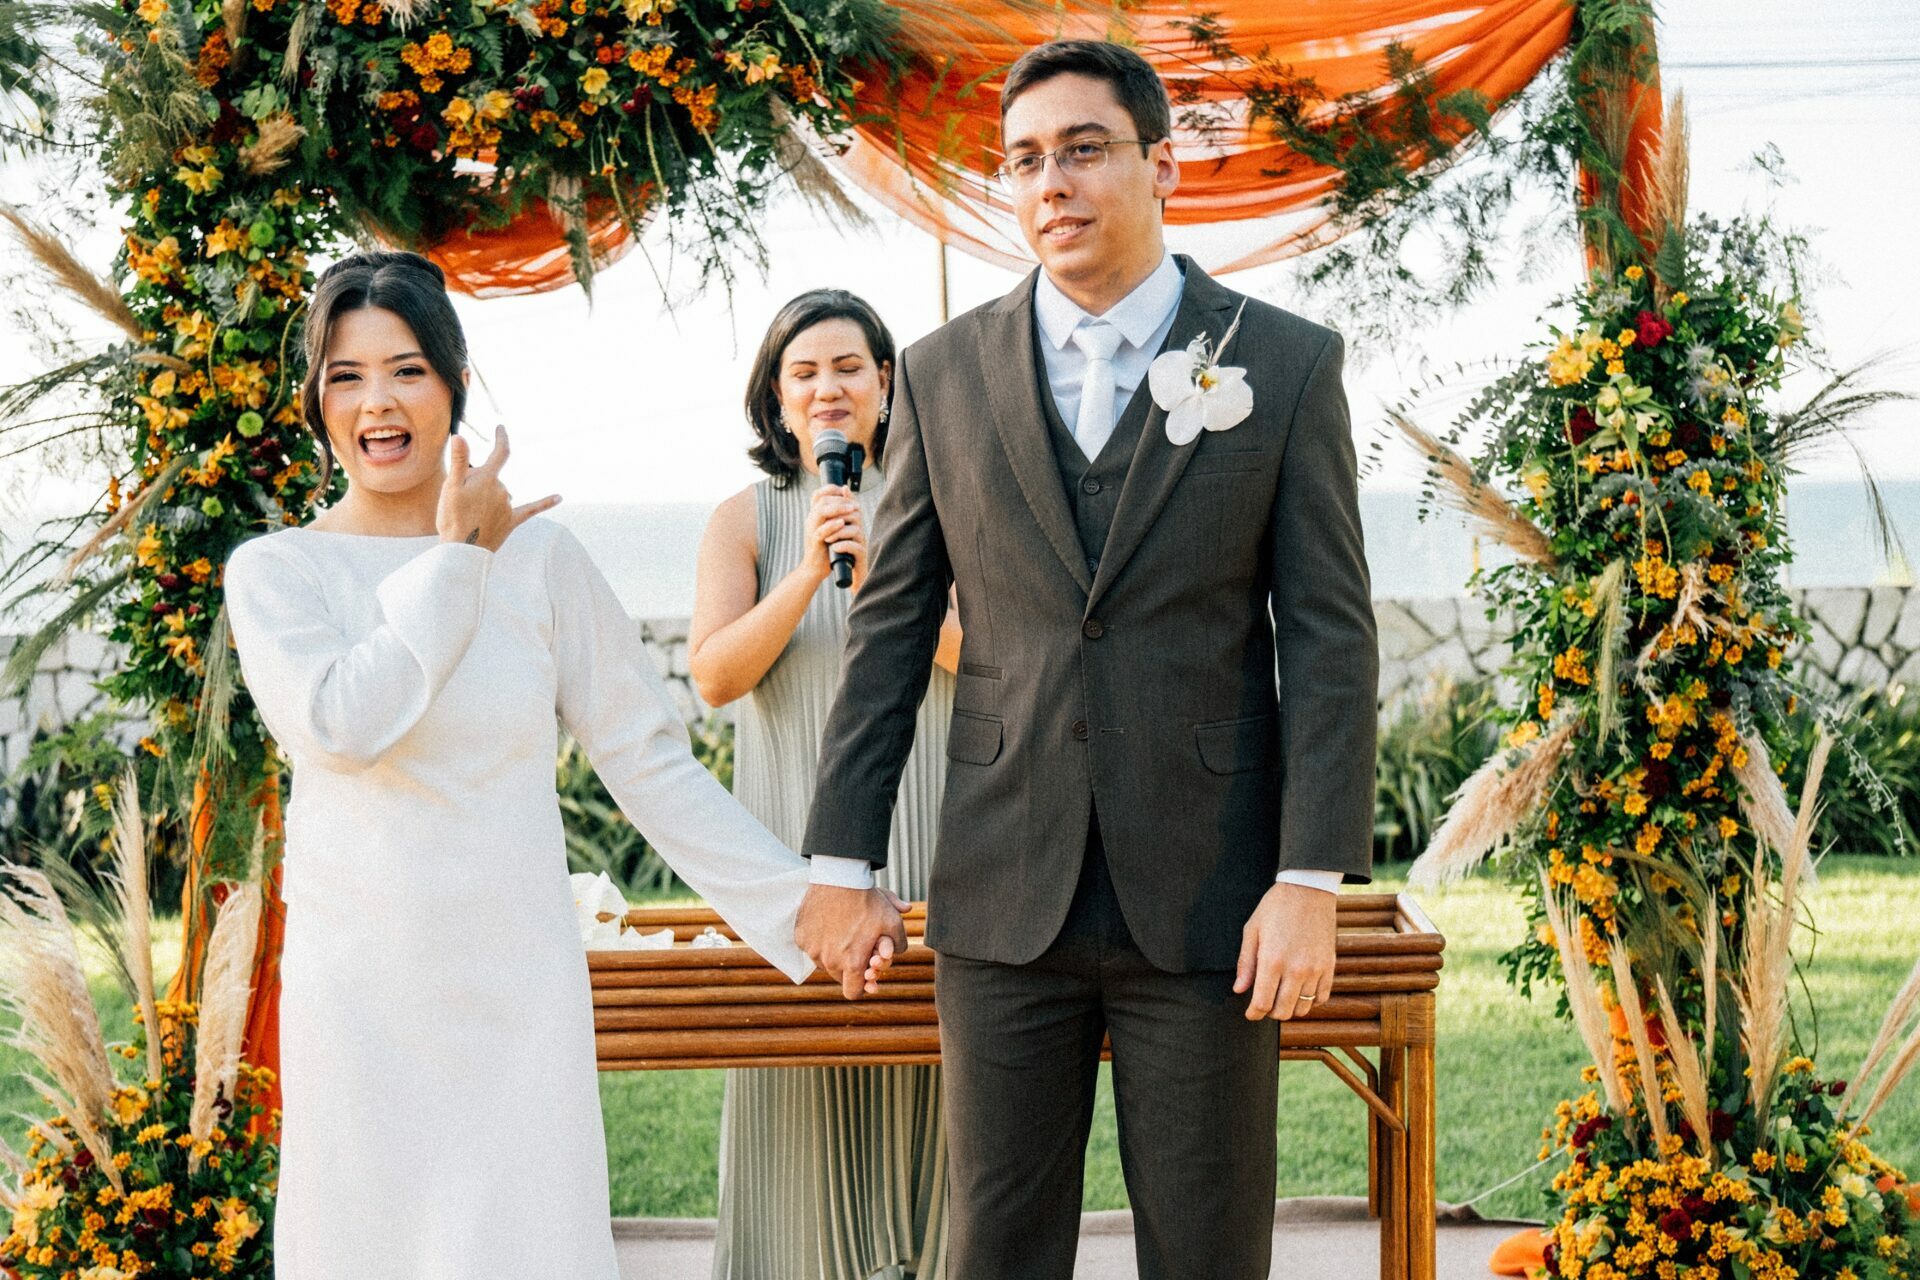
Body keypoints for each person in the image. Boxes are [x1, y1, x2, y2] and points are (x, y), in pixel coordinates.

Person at [794, 40, 1379, 1280]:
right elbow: (891, 630)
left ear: (1161, 165)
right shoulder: (941, 375)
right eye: (1022, 161)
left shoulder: (1286, 363)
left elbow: (1331, 637)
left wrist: (1309, 877)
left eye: (1082, 148)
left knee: (1211, 1251)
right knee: (996, 1249)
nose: (1049, 181)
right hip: (1003, 891)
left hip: (1215, 897)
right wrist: (842, 862)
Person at [222, 251, 894, 1279]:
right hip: (360, 999)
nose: (378, 402)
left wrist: (803, 901)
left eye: (406, 370)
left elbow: (649, 763)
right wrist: (458, 558)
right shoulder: (277, 571)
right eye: (346, 376)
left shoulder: (544, 559)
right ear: (317, 400)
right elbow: (343, 724)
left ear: (453, 383)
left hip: (517, 987)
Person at [690, 289, 959, 1280]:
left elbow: (998, 662)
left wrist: (888, 574)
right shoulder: (742, 519)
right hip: (795, 866)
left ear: (887, 382)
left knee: (942, 1109)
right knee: (800, 1103)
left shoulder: (946, 500)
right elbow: (716, 675)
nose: (828, 387)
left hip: (932, 845)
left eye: (849, 367)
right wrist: (807, 571)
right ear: (776, 396)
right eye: (803, 372)